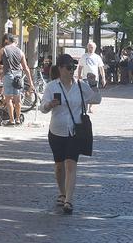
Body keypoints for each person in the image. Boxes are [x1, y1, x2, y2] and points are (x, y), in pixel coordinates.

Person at [40, 54, 102, 215]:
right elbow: (42, 108)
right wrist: (49, 104)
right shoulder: (52, 86)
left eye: (73, 68)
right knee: (59, 166)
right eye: (68, 67)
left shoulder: (81, 86)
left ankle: (69, 200)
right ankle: (62, 192)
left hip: (75, 131)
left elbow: (96, 99)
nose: (71, 70)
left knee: (70, 164)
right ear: (60, 68)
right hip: (56, 131)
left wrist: (94, 84)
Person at [0, 33, 34, 125]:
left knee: (8, 99)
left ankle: (11, 120)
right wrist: (31, 83)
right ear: (15, 42)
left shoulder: (3, 50)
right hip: (18, 77)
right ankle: (18, 118)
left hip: (8, 75)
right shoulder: (20, 52)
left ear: (7, 41)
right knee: (17, 99)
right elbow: (26, 68)